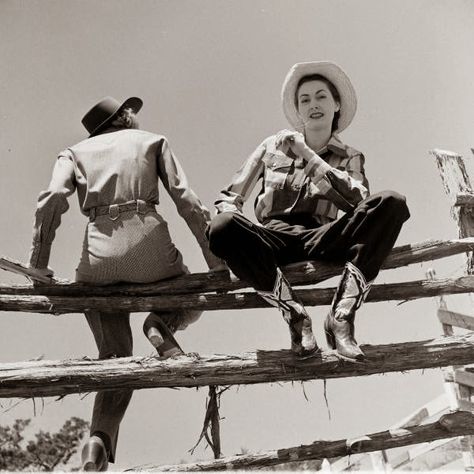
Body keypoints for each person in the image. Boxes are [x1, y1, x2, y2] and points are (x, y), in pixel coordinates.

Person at [28, 96, 222, 470]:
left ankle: (97, 442)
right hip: (150, 247)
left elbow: (52, 197)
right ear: (125, 117)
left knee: (115, 356)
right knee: (193, 291)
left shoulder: (72, 152)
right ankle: (160, 323)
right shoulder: (152, 141)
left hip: (99, 258)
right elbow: (186, 199)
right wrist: (216, 263)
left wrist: (39, 263)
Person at [207, 61, 410, 360]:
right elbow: (230, 197)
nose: (313, 105)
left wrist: (306, 153)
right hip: (274, 238)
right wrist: (238, 233)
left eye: (321, 96)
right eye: (305, 100)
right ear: (298, 110)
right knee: (222, 226)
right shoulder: (271, 146)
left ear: (336, 104)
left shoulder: (350, 156)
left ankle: (341, 315)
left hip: (324, 236)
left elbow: (357, 201)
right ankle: (295, 314)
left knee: (392, 203)